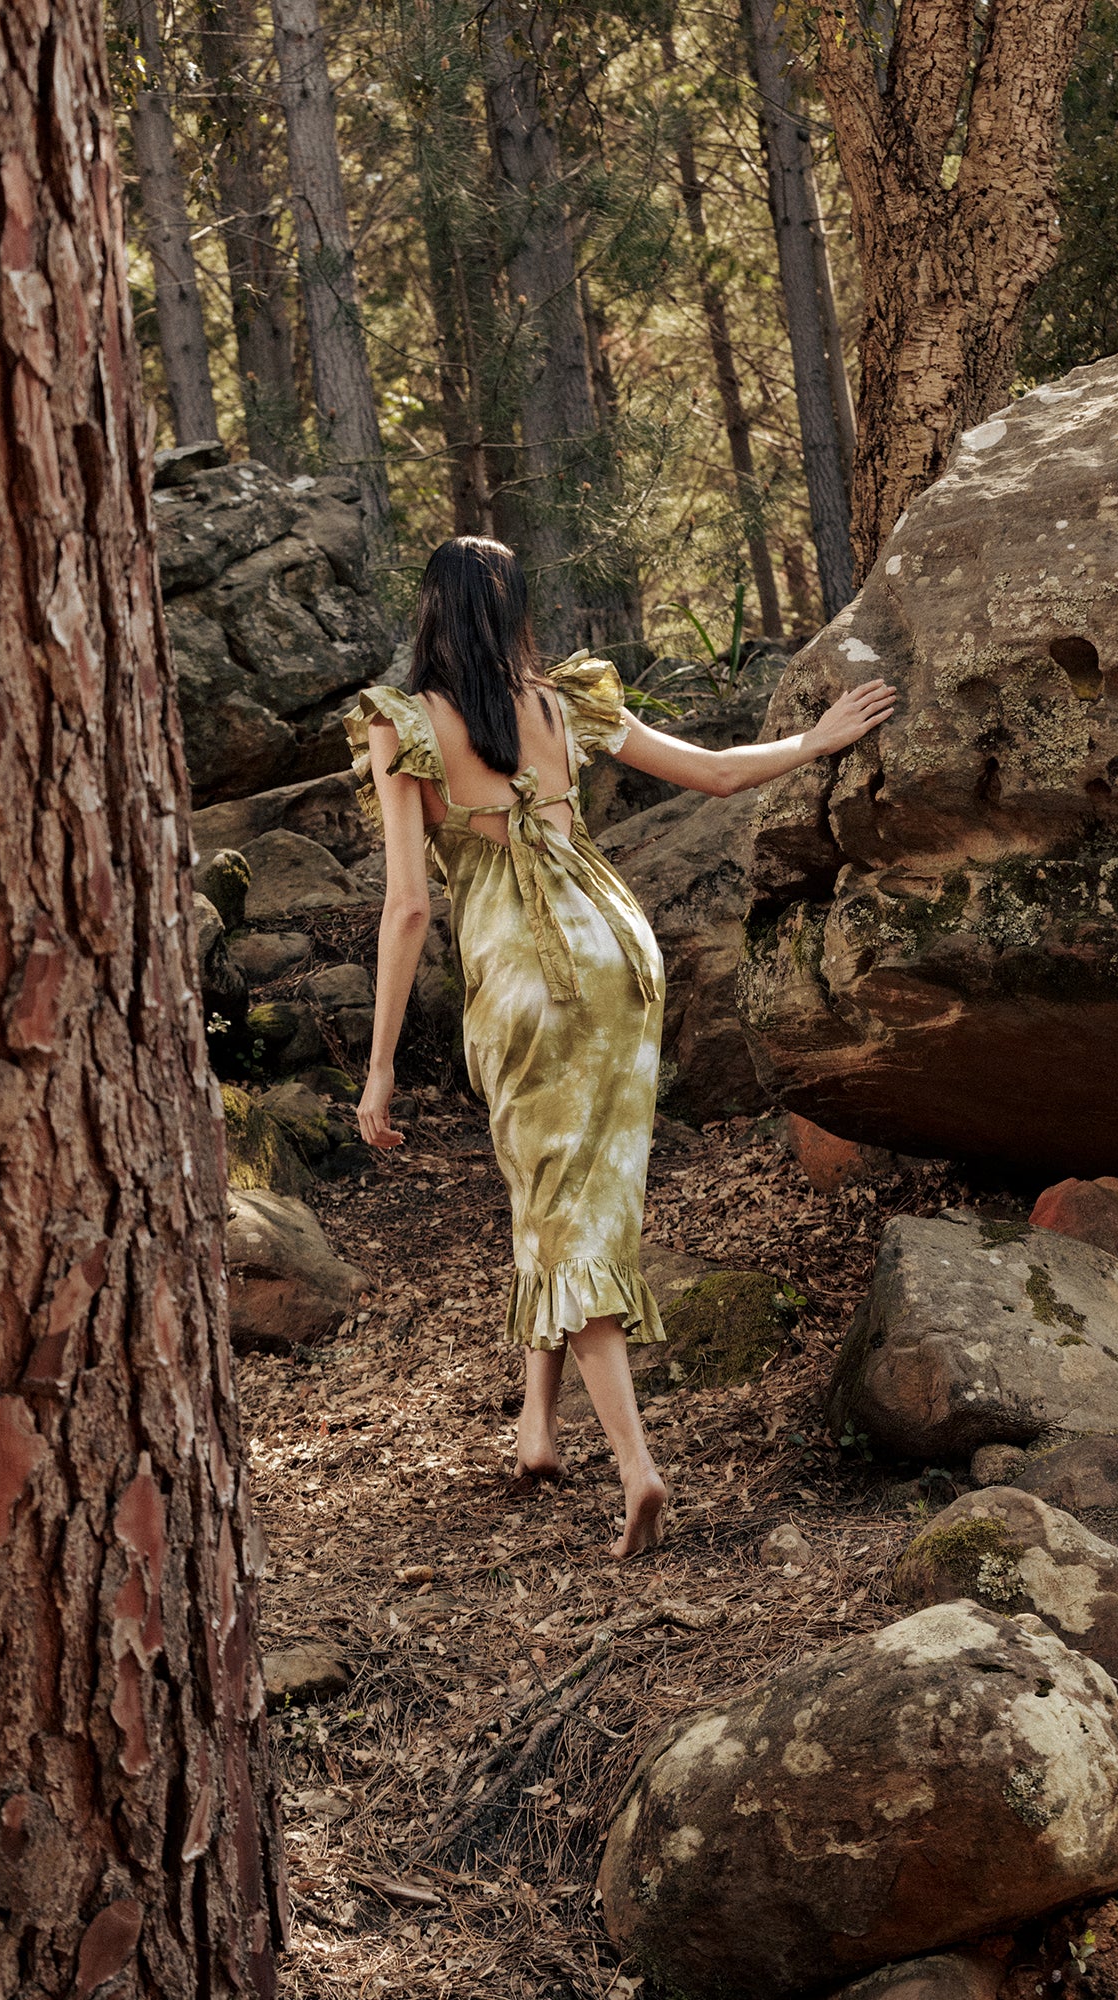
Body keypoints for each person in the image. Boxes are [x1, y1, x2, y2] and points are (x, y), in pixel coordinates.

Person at [345, 538, 894, 1557]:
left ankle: (638, 1467)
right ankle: (538, 1425)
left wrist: (378, 1066)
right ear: (513, 612)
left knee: (561, 1198)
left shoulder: (403, 724)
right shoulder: (560, 703)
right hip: (619, 952)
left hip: (525, 973)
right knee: (568, 1190)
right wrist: (816, 740)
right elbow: (713, 776)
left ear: (430, 612)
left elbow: (410, 904)